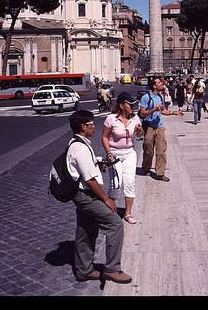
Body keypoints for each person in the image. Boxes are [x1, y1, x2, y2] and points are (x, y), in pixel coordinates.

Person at [67, 109, 132, 284]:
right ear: (83, 127)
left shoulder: (78, 142)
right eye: (91, 124)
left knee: (86, 231)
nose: (94, 127)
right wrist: (106, 199)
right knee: (115, 224)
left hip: (82, 194)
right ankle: (112, 269)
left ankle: (84, 270)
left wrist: (98, 163)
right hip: (86, 195)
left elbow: (86, 169)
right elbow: (90, 180)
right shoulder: (79, 147)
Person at [101, 92, 143, 225]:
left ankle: (128, 214)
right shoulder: (111, 119)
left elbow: (140, 134)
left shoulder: (135, 119)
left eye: (133, 104)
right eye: (129, 104)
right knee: (116, 184)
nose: (132, 107)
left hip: (129, 153)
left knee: (130, 183)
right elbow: (104, 137)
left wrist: (139, 131)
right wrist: (108, 153)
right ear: (121, 105)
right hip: (114, 154)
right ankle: (110, 213)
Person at [140, 77, 184, 182]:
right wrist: (154, 109)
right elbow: (142, 113)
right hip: (149, 127)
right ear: (154, 86)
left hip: (159, 127)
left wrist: (173, 113)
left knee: (161, 150)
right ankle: (146, 167)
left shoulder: (161, 96)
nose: (162, 84)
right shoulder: (146, 97)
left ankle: (160, 173)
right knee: (148, 150)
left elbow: (163, 110)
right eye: (159, 83)